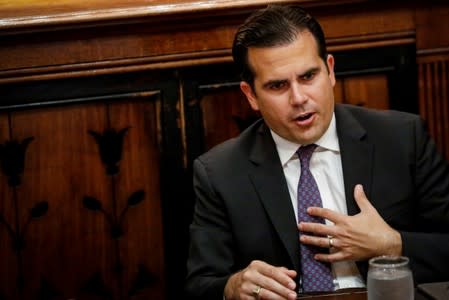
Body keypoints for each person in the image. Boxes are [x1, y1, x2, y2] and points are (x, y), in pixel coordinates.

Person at [185, 4, 449, 300]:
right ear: (251, 95)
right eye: (277, 85)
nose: (298, 98)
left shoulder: (403, 139)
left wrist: (392, 244)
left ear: (330, 70)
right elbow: (200, 286)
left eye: (308, 76)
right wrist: (232, 286)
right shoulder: (219, 173)